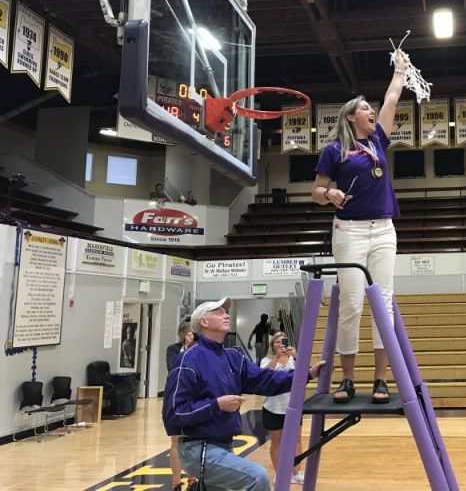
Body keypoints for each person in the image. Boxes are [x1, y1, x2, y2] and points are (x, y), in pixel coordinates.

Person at [311, 49, 410, 404]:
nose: (372, 111)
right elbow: (317, 192)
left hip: (383, 229)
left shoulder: (378, 140)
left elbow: (392, 98)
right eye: (365, 108)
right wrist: (331, 193)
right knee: (351, 303)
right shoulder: (334, 150)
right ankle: (348, 378)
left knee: (382, 303)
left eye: (372, 108)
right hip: (349, 231)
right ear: (352, 116)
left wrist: (399, 69)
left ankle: (381, 379)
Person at [163, 298, 326, 491]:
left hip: (223, 446)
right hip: (198, 449)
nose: (225, 314)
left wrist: (306, 374)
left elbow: (267, 379)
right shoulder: (187, 360)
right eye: (218, 312)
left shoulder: (233, 358)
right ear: (203, 322)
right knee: (257, 477)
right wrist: (217, 405)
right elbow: (173, 413)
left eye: (226, 312)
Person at [261, 332, 304, 486]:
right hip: (272, 407)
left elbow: (305, 373)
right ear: (272, 345)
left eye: (282, 341)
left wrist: (298, 356)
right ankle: (280, 474)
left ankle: (296, 472)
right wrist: (276, 358)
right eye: (277, 342)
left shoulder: (293, 358)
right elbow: (263, 376)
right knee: (277, 441)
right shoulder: (266, 360)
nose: (280, 344)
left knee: (296, 440)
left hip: (293, 406)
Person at [165, 317, 196, 491]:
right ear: (183, 334)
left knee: (194, 440)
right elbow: (173, 367)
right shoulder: (173, 350)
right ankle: (176, 482)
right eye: (190, 332)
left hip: (195, 399)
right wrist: (185, 348)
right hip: (176, 399)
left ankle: (193, 478)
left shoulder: (200, 350)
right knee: (176, 441)